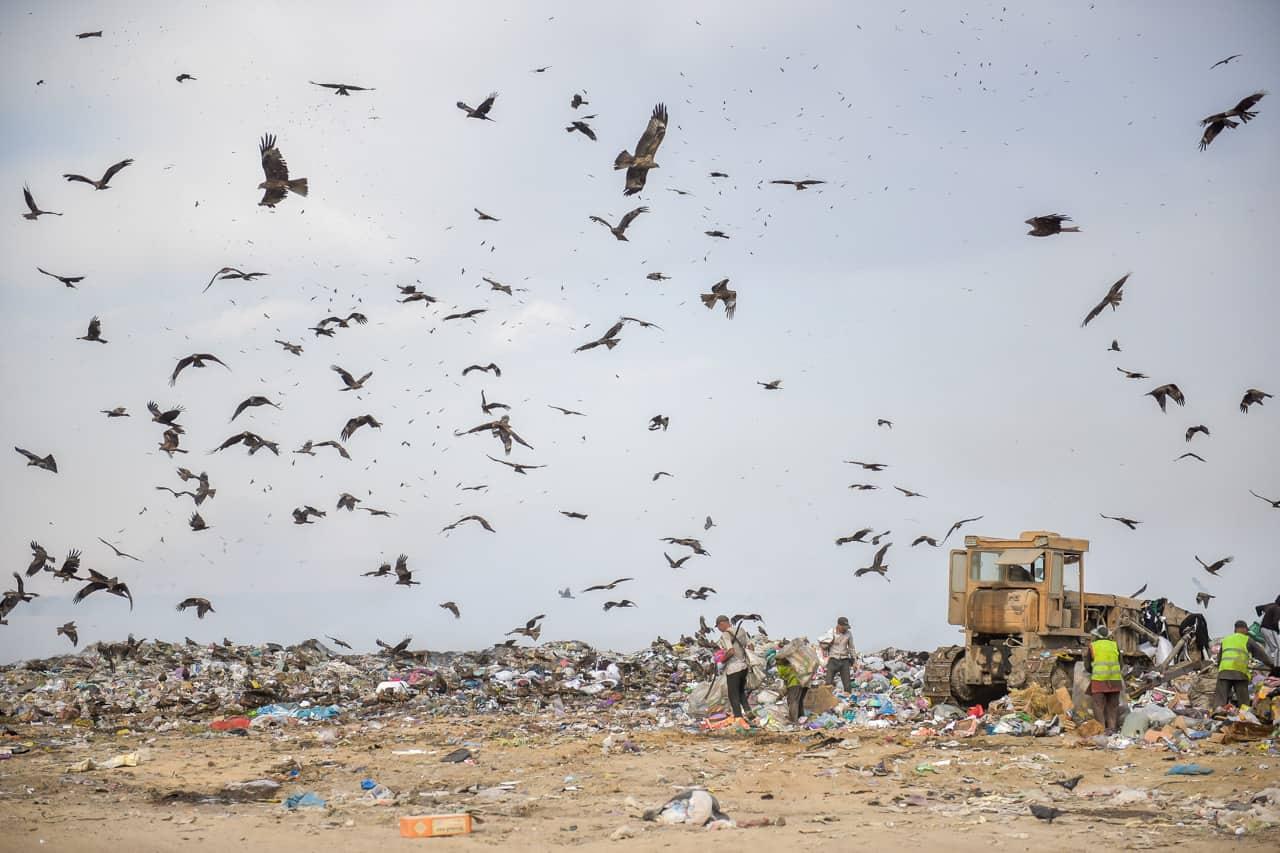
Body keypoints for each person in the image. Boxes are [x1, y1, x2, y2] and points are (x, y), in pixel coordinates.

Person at [1215, 620, 1277, 709]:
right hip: (1239, 674)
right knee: (1243, 703)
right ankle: (1245, 719)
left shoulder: (1226, 640)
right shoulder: (1247, 639)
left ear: (1235, 629)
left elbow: (1219, 659)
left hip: (1223, 673)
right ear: (1244, 629)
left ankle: (1216, 718)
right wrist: (1272, 665)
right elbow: (1261, 654)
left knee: (1220, 702)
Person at [1083, 624, 1122, 734]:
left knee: (1098, 705)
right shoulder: (1115, 645)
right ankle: (1112, 729)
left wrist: (1094, 671)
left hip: (1099, 680)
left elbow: (1087, 666)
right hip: (1115, 680)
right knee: (1113, 706)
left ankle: (1101, 729)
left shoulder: (1093, 646)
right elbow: (1121, 664)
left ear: (1096, 636)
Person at [715, 615, 753, 728]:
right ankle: (749, 713)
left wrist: (722, 661)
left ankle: (738, 718)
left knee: (733, 694)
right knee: (741, 691)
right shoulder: (741, 630)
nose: (718, 629)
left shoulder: (726, 634)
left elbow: (730, 651)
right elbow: (751, 646)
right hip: (744, 667)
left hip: (733, 668)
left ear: (722, 623)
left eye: (718, 626)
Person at [820, 616, 855, 693]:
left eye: (846, 627)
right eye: (844, 627)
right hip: (833, 660)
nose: (845, 629)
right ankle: (827, 699)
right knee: (828, 682)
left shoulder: (849, 634)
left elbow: (851, 647)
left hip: (844, 660)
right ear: (839, 625)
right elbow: (823, 645)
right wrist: (828, 643)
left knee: (847, 684)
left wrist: (853, 659)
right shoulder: (831, 632)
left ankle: (849, 700)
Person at [776, 654, 807, 723]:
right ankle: (801, 717)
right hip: (802, 682)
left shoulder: (782, 667)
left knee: (793, 702)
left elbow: (781, 677)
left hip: (794, 684)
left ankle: (794, 721)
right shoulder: (794, 663)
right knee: (799, 700)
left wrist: (780, 695)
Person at [1254, 595, 1280, 669]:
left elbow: (1257, 608)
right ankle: (1275, 665)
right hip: (1269, 629)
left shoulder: (1270, 605)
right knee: (1276, 647)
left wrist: (1261, 616)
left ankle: (1264, 662)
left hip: (1263, 628)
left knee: (1269, 646)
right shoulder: (1278, 609)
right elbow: (1275, 621)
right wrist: (1277, 630)